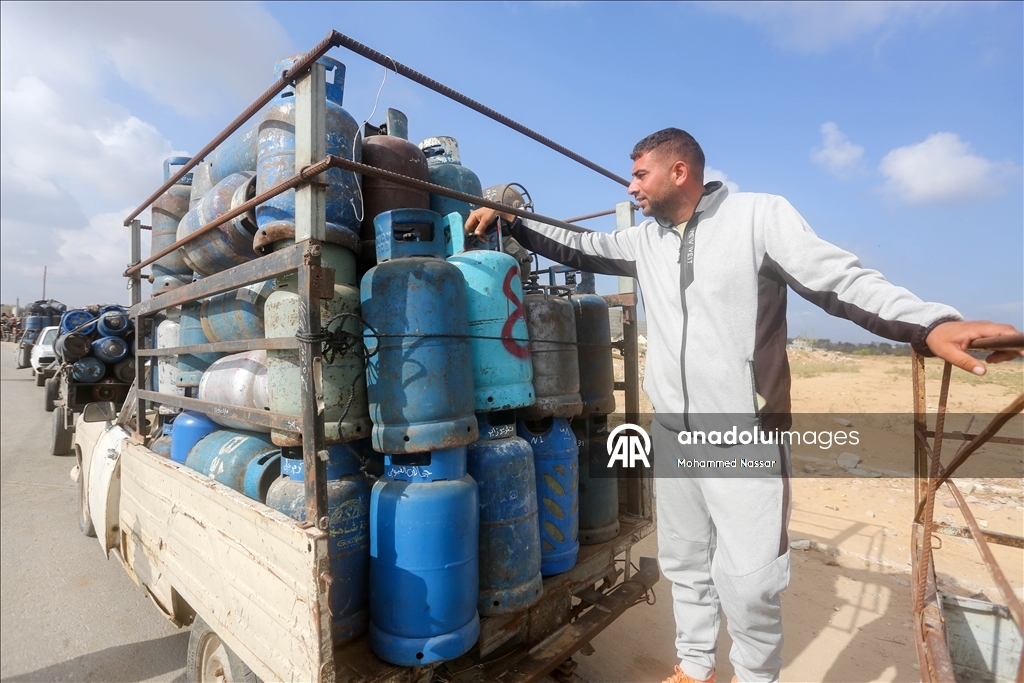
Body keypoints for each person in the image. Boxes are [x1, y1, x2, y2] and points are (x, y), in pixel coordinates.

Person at [465, 128, 1021, 683]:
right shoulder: (644, 241)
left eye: (640, 175)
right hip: (675, 431)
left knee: (753, 579)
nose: (632, 188)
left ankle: (756, 676)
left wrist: (933, 323)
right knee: (685, 561)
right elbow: (575, 244)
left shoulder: (758, 218)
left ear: (679, 171)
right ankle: (696, 665)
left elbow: (840, 280)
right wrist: (511, 217)